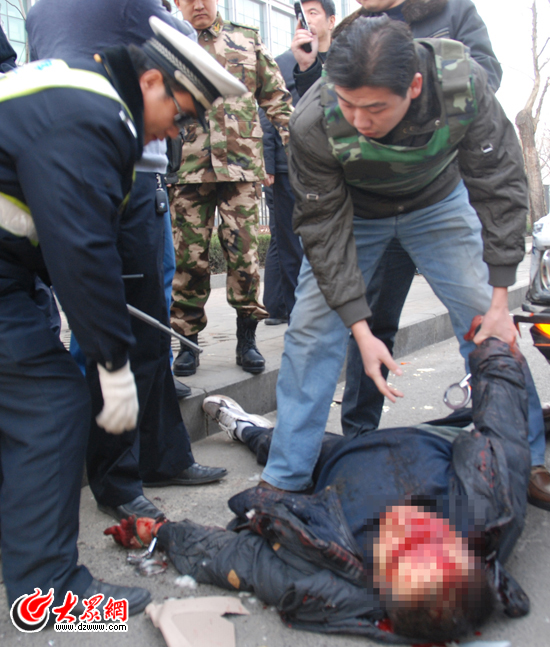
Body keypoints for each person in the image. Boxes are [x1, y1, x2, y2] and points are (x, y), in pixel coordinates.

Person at [0, 16, 245, 615]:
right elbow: (82, 252)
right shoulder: (94, 115)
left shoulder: (75, 86)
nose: (175, 132)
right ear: (152, 82)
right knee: (52, 401)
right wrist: (113, 363)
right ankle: (49, 596)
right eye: (180, 115)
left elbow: (73, 239)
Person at [257, 17, 538, 495]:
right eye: (348, 104)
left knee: (487, 327)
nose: (359, 121)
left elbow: (500, 184)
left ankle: (526, 460)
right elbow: (321, 228)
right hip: (354, 213)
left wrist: (498, 299)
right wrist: (360, 330)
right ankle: (286, 476)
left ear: (414, 86)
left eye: (375, 108)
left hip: (438, 203)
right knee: (310, 333)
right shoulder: (313, 120)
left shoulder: (462, 85)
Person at [106, 338, 531, 643]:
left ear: (380, 586)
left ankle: (245, 428)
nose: (412, 525)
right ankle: (260, 433)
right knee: (286, 444)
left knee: (281, 448)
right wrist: (495, 349)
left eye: (402, 553)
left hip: (334, 474)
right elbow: (505, 425)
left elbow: (236, 559)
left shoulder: (324, 574)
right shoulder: (489, 506)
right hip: (417, 443)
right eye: (434, 540)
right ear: (464, 548)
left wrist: (159, 534)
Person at [26, 0, 228, 526]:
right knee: (123, 325)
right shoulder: (126, 12)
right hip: (121, 169)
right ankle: (117, 479)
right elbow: (185, 45)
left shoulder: (39, 12)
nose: (178, 131)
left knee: (146, 327)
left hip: (107, 165)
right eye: (179, 119)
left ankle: (159, 456)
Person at [169, 0, 293, 375]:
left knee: (245, 257)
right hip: (189, 169)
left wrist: (298, 149)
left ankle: (247, 340)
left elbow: (276, 98)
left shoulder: (246, 40)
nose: (198, 5)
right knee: (188, 260)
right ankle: (188, 344)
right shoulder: (169, 42)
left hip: (241, 168)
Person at [261, 0, 335, 324]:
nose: (306, 21)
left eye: (313, 13)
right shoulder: (283, 62)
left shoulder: (348, 59)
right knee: (288, 242)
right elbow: (267, 115)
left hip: (333, 167)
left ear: (332, 21)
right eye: (301, 16)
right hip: (287, 168)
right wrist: (267, 163)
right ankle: (292, 313)